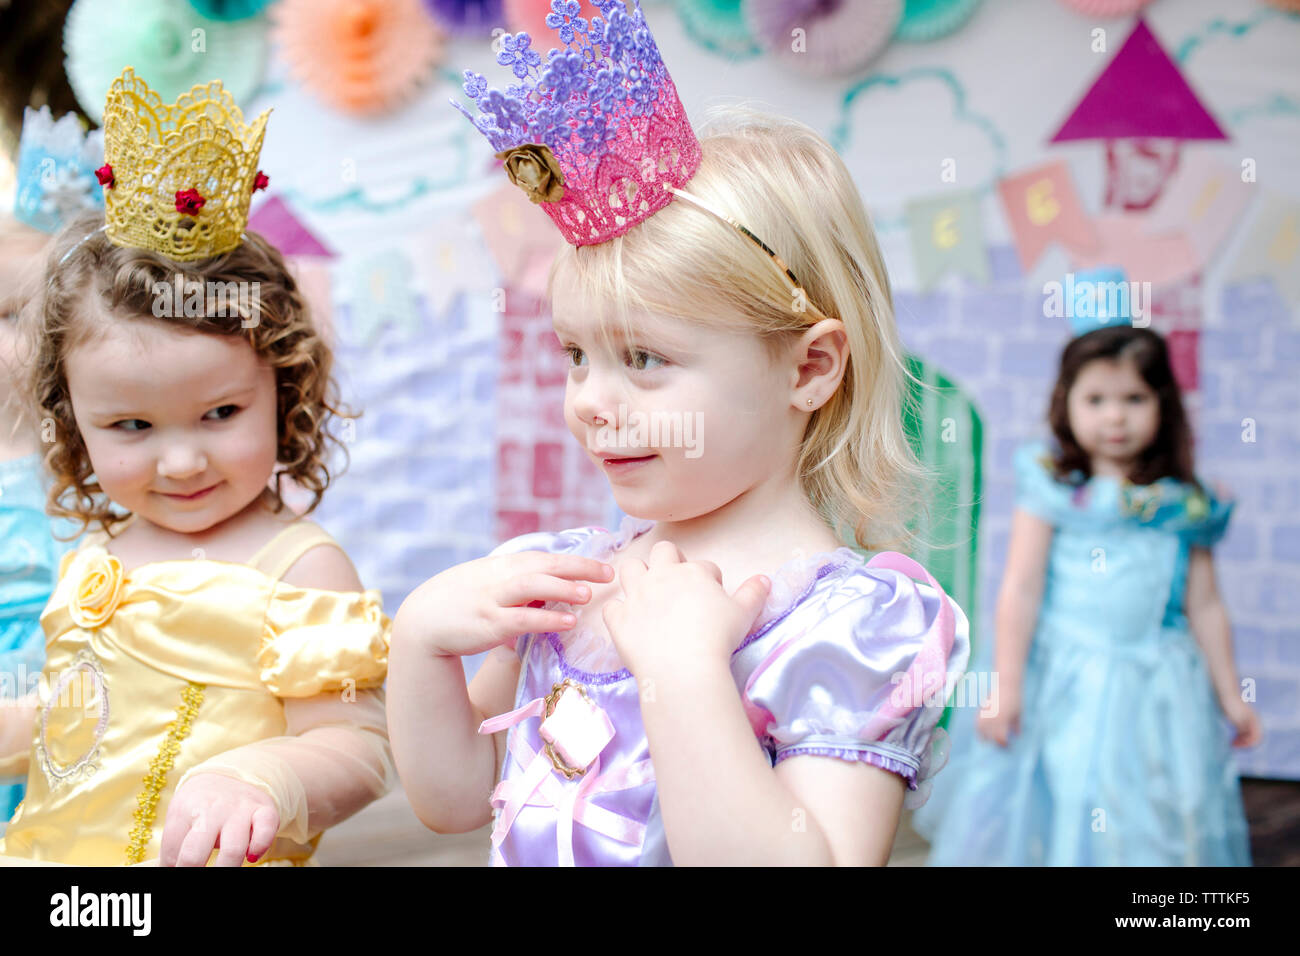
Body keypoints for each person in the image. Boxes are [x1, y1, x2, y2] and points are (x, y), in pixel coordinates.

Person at [388, 0, 969, 866]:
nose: (589, 400)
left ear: (808, 370)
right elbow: (456, 800)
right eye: (577, 355)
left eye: (646, 358)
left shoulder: (848, 630)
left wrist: (687, 675)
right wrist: (420, 643)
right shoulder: (569, 583)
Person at [0, 68, 393, 866]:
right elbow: (83, 717)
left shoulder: (300, 568)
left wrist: (264, 778)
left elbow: (359, 745)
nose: (181, 460)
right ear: (72, 422)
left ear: (282, 392)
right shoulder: (99, 550)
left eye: (221, 414)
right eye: (131, 426)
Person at [914, 315, 1260, 866]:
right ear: (1066, 401)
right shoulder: (1054, 486)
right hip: (1064, 678)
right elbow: (1022, 589)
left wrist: (1230, 694)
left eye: (1135, 398)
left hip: (1160, 685)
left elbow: (1206, 604)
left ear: (1163, 405)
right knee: (1068, 796)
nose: (1115, 416)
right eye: (1096, 398)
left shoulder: (1186, 503)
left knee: (1156, 810)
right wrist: (1006, 686)